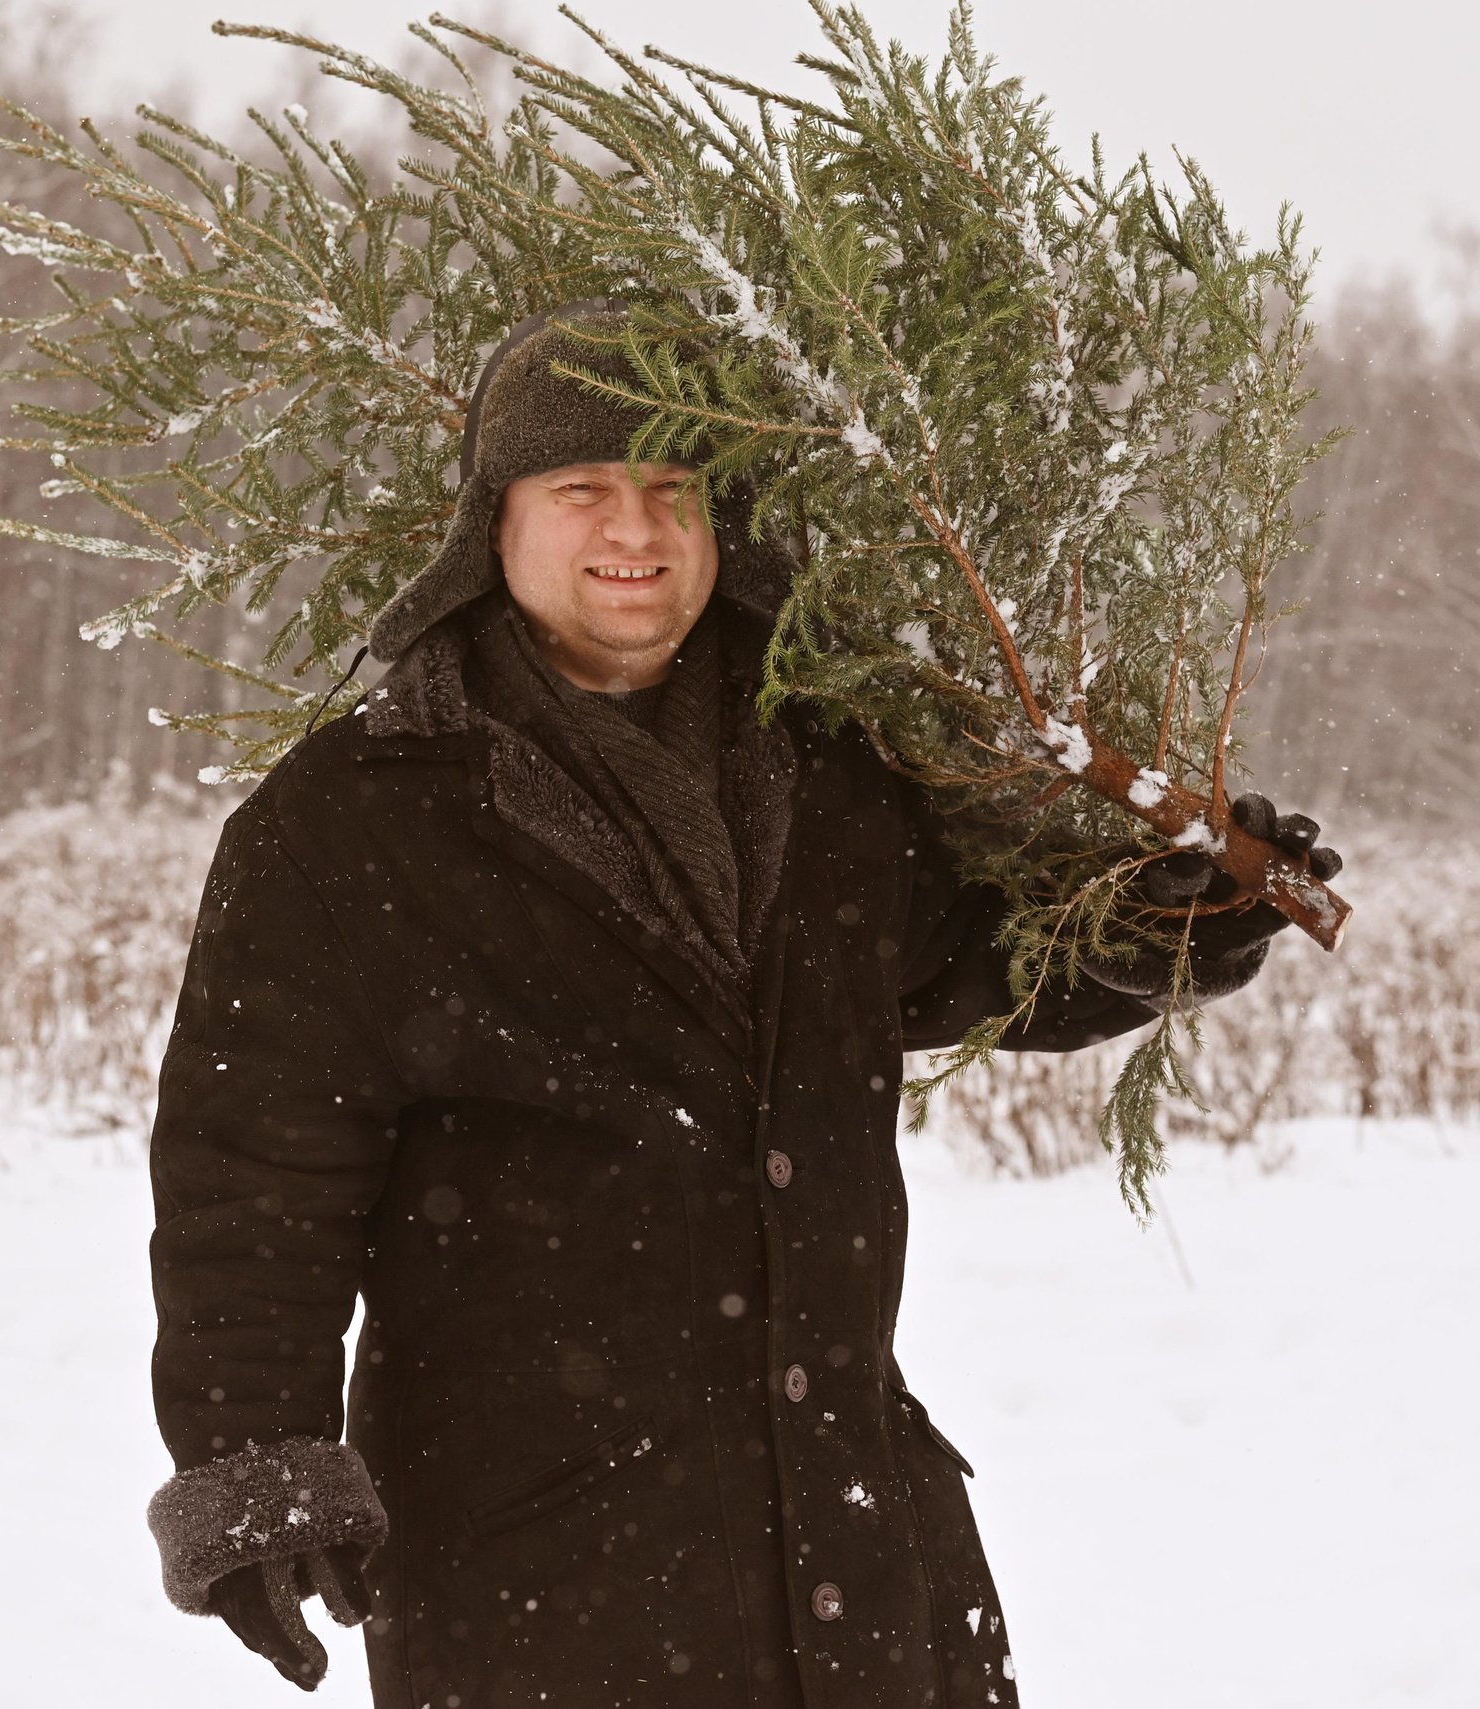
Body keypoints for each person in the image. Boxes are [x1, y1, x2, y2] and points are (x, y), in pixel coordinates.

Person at [142, 302, 1339, 1707]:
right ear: (492, 523)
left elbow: (970, 962)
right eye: (580, 487)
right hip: (543, 1572)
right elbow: (252, 1165)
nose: (634, 529)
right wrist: (254, 1456)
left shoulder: (829, 769)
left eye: (675, 486)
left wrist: (1180, 921)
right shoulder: (356, 819)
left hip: (851, 1530)